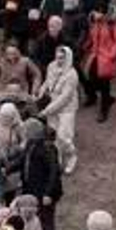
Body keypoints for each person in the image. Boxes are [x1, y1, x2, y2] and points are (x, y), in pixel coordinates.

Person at [15, 119, 63, 230]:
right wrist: (7, 169)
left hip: (45, 192)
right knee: (36, 219)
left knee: (46, 220)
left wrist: (48, 193)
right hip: (32, 190)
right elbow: (22, 160)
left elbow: (54, 172)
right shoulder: (31, 144)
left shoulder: (48, 148)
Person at [37, 46, 80, 176]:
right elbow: (47, 81)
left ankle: (72, 157)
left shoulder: (72, 75)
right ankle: (58, 160)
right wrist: (41, 92)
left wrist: (46, 111)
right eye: (57, 57)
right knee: (54, 135)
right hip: (52, 106)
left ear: (68, 58)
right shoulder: (51, 66)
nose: (58, 60)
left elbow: (64, 98)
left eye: (62, 58)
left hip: (66, 109)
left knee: (64, 136)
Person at [81, 8, 116, 123]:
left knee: (104, 82)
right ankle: (106, 98)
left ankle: (104, 109)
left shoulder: (111, 23)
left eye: (99, 12)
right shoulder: (95, 23)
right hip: (95, 55)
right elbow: (92, 37)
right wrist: (86, 46)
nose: (96, 14)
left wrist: (112, 54)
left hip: (106, 58)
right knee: (91, 78)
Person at [0, 44, 42, 110]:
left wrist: (34, 91)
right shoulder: (0, 62)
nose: (12, 56)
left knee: (30, 108)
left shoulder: (25, 61)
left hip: (21, 94)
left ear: (18, 52)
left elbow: (37, 75)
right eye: (9, 53)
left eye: (14, 53)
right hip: (4, 94)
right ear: (5, 54)